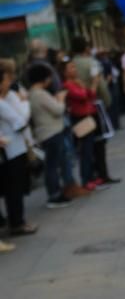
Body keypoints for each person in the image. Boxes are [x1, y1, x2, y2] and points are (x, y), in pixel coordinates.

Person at [71, 37, 118, 186]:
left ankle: (91, 175)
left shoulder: (71, 64)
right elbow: (101, 85)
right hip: (94, 104)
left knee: (86, 143)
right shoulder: (91, 62)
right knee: (99, 142)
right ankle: (102, 174)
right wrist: (107, 101)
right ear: (86, 48)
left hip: (77, 107)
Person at [0, 58, 37, 236]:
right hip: (11, 150)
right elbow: (21, 121)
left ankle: (17, 221)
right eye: (7, 79)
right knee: (13, 189)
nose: (10, 82)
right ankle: (17, 222)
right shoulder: (1, 103)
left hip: (14, 148)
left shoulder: (7, 98)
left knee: (14, 188)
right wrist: (25, 103)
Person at [26, 64, 71, 208]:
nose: (51, 80)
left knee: (51, 165)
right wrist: (61, 98)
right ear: (43, 78)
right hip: (51, 133)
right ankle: (54, 196)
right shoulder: (40, 94)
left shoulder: (32, 93)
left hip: (45, 133)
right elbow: (58, 110)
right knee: (52, 166)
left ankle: (56, 193)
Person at [63, 58, 101, 191]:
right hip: (79, 119)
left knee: (90, 150)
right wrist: (89, 85)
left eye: (74, 67)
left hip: (87, 116)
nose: (74, 70)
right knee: (85, 150)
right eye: (71, 68)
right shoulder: (68, 85)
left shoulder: (76, 82)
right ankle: (86, 179)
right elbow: (83, 95)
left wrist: (89, 86)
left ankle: (90, 176)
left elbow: (91, 95)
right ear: (65, 72)